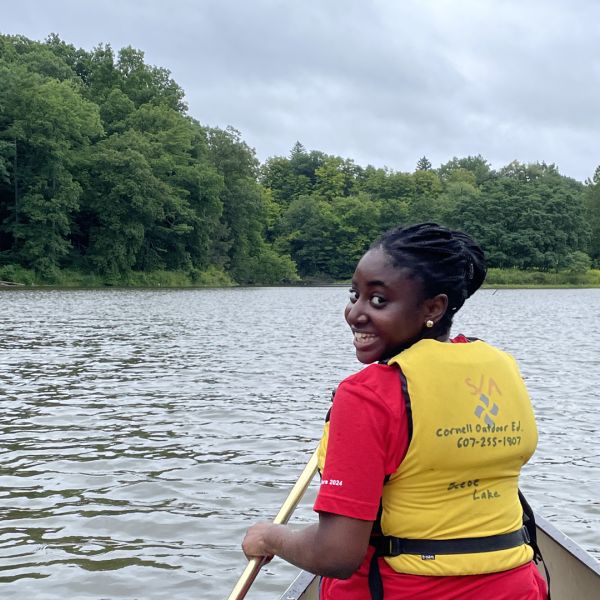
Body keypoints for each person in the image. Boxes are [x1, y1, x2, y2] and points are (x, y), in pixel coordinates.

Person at [242, 222, 548, 599]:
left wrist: (270, 536)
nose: (355, 313)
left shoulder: (367, 396)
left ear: (433, 307)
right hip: (514, 588)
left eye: (379, 301)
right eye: (354, 295)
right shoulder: (501, 367)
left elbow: (336, 554)